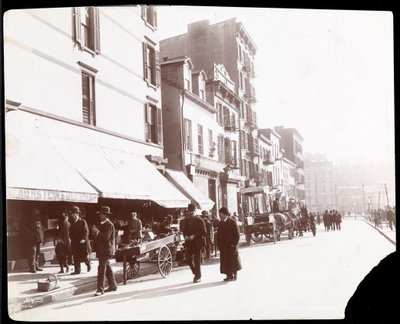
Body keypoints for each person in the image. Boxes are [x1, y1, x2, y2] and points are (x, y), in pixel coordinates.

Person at [92, 206, 118, 296]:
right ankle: (113, 285)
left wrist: (97, 232)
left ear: (106, 215)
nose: (99, 215)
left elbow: (106, 238)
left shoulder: (109, 224)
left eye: (101, 214)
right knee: (107, 268)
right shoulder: (103, 223)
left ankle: (100, 289)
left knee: (101, 270)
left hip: (106, 250)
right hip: (102, 250)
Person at [180, 203, 206, 283]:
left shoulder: (200, 220)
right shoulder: (186, 221)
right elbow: (184, 231)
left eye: (192, 211)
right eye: (189, 211)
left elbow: (204, 232)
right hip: (189, 243)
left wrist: (194, 236)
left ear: (195, 211)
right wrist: (186, 236)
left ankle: (197, 277)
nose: (191, 213)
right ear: (188, 212)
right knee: (188, 258)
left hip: (197, 243)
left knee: (197, 260)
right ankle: (196, 272)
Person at [217, 207, 241, 281]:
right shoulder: (220, 223)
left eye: (220, 214)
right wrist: (219, 245)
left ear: (225, 214)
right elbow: (219, 235)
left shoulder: (232, 222)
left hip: (231, 245)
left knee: (233, 260)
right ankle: (228, 275)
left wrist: (234, 243)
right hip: (223, 246)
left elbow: (237, 234)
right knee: (225, 261)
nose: (219, 215)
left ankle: (235, 274)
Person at [20, 207, 44, 273]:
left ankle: (36, 266)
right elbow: (23, 226)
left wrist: (41, 236)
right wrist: (30, 232)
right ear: (33, 210)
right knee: (32, 253)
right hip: (31, 238)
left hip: (38, 238)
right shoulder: (27, 217)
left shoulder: (39, 217)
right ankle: (32, 267)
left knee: (38, 253)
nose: (38, 211)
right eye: (37, 209)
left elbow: (41, 226)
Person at [69, 206, 91, 275]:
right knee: (75, 256)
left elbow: (86, 231)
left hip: (82, 242)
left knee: (83, 256)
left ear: (78, 214)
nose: (74, 215)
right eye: (73, 214)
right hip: (74, 241)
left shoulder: (82, 221)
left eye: (76, 213)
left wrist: (84, 239)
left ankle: (88, 263)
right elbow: (69, 231)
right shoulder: (71, 222)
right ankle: (77, 270)